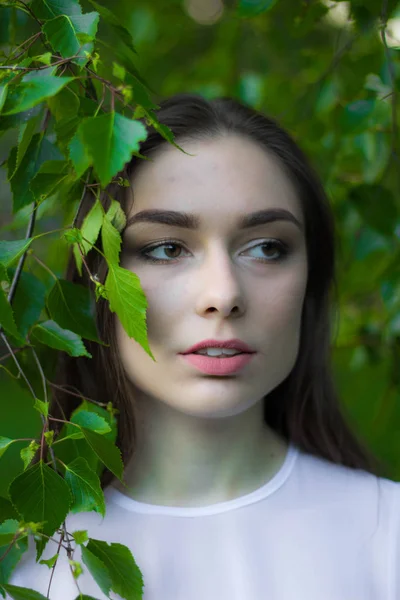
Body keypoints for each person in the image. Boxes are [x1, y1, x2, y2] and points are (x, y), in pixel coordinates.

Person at [7, 93, 400, 599]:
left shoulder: (386, 535)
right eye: (167, 248)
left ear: (310, 280)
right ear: (94, 283)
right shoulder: (32, 574)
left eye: (266, 248)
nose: (224, 295)